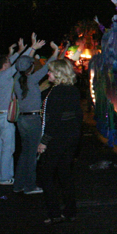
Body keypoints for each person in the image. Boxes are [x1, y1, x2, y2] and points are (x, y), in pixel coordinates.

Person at [13, 36, 60, 195]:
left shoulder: (16, 79)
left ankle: (18, 184)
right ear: (30, 68)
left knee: (24, 153)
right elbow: (48, 66)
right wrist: (56, 51)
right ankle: (30, 186)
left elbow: (21, 63)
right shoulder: (32, 80)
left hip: (21, 119)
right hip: (33, 120)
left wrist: (33, 49)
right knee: (32, 154)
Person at [37, 59, 83, 225]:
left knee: (46, 174)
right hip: (70, 137)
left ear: (58, 73)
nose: (48, 74)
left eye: (50, 71)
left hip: (57, 138)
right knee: (65, 174)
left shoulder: (55, 92)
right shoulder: (73, 90)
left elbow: (53, 120)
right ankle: (70, 211)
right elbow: (78, 116)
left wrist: (44, 141)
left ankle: (54, 212)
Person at [0, 40, 26, 185]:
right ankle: (5, 177)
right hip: (5, 116)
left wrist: (17, 51)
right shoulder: (5, 75)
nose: (10, 64)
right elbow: (19, 64)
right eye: (8, 62)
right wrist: (29, 49)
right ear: (5, 65)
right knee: (8, 148)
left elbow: (12, 61)